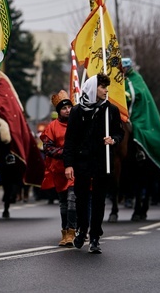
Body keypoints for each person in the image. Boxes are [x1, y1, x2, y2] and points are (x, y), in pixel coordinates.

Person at [63, 73, 124, 254]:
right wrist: (68, 164)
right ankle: (82, 230)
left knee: (99, 200)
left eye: (107, 87)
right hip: (82, 161)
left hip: (102, 160)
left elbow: (120, 133)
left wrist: (113, 139)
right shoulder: (77, 111)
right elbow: (70, 140)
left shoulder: (111, 110)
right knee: (81, 199)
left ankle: (95, 236)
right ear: (93, 89)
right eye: (103, 87)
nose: (106, 90)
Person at [40, 90, 76, 247]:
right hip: (58, 169)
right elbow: (47, 148)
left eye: (69, 107)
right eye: (64, 108)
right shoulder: (52, 127)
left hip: (75, 169)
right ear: (59, 111)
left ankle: (72, 231)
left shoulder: (78, 124)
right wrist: (65, 153)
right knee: (63, 203)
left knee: (72, 200)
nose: (67, 110)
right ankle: (63, 231)